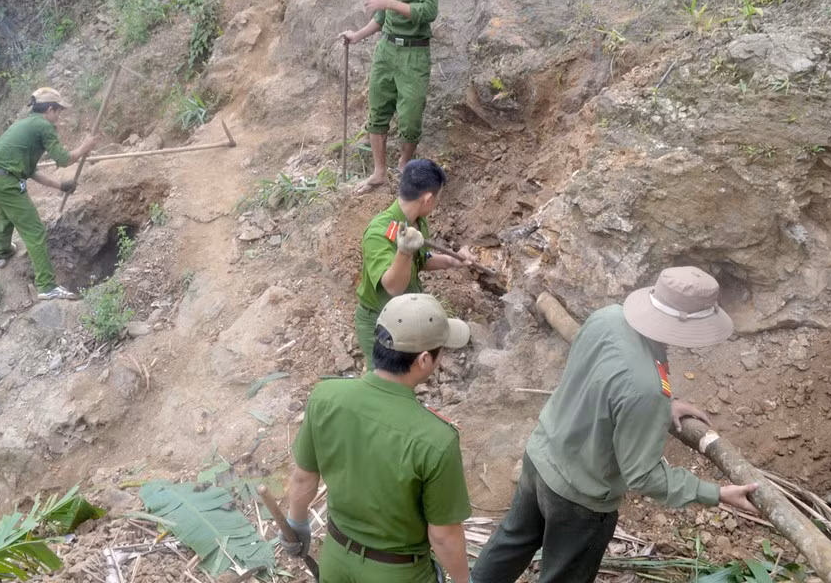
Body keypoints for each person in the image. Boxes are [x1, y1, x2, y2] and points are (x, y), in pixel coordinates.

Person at [470, 266, 760, 583]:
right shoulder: (646, 389)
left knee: (511, 541)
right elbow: (643, 475)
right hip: (579, 498)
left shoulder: (607, 317)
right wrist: (716, 493)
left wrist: (663, 405)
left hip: (540, 456)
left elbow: (605, 381)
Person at [282, 293, 472, 583]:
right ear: (424, 360)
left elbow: (302, 479)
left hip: (336, 559)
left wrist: (297, 522)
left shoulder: (325, 397)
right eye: (441, 350)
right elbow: (443, 536)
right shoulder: (436, 439)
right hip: (398, 573)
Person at [339, 0, 440, 194]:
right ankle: (379, 172)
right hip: (386, 50)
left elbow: (428, 11)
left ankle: (405, 162)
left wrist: (388, 2)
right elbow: (382, 18)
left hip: (414, 52)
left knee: (411, 115)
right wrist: (357, 35)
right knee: (378, 108)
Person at [355, 158, 474, 370]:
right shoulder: (378, 233)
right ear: (427, 198)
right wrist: (404, 251)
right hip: (380, 322)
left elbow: (419, 260)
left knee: (407, 373)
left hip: (405, 315)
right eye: (438, 197)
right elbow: (393, 286)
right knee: (385, 380)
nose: (437, 203)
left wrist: (451, 260)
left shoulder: (417, 221)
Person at [0, 87, 96, 301]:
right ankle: (47, 286)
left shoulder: (24, 125)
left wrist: (60, 185)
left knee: (6, 213)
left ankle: (1, 253)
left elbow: (31, 171)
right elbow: (63, 159)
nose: (59, 116)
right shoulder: (44, 126)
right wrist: (84, 147)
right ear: (50, 110)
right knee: (35, 232)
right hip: (6, 183)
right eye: (58, 111)